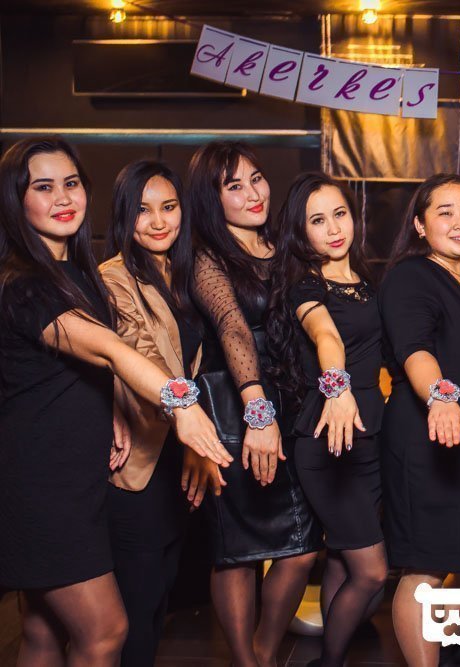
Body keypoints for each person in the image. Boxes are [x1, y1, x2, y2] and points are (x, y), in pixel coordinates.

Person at [0, 136, 229, 666]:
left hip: (76, 476)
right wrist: (182, 406)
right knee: (106, 631)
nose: (63, 197)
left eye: (71, 183)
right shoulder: (24, 284)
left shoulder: (73, 274)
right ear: (15, 199)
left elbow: (73, 374)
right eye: (43, 187)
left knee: (42, 631)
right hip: (42, 484)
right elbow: (107, 348)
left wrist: (112, 411)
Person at [187, 141, 322, 667]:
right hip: (234, 406)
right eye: (234, 186)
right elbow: (233, 327)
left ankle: (264, 653)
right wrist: (256, 413)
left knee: (302, 549)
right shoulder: (207, 256)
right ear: (211, 198)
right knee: (237, 551)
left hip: (291, 400)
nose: (252, 193)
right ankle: (246, 660)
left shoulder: (283, 245)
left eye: (256, 178)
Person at [378, 173, 460, 667]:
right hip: (427, 440)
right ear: (419, 224)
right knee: (425, 568)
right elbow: (415, 349)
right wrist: (440, 396)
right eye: (445, 212)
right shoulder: (412, 276)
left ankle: (438, 640)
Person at [100, 159, 223, 666]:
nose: (158, 221)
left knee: (161, 595)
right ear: (123, 215)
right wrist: (191, 424)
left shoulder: (179, 272)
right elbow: (141, 355)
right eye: (143, 210)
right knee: (137, 604)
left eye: (168, 207)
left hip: (175, 459)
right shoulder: (114, 277)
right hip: (137, 462)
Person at [267, 172, 387, 666]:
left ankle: (330, 660)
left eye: (339, 214)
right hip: (328, 439)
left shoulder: (368, 282)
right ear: (300, 231)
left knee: (343, 558)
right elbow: (326, 336)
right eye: (317, 220)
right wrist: (337, 388)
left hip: (370, 437)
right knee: (372, 572)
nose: (334, 229)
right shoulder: (305, 286)